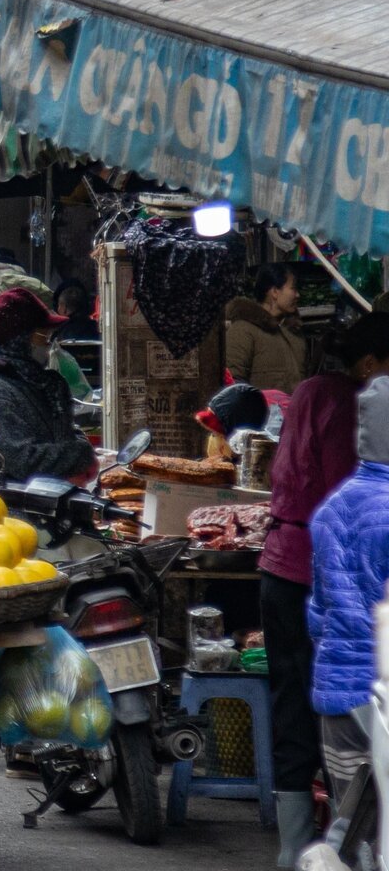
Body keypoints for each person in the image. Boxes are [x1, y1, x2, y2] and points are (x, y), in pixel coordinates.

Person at [262, 312, 389, 865]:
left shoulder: (310, 391)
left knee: (293, 702)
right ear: (369, 364)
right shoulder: (351, 406)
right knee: (349, 722)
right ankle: (339, 844)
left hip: (283, 564)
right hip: (317, 571)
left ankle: (294, 846)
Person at [308, 377, 389, 825]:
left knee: (352, 824)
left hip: (338, 698)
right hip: (382, 697)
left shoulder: (333, 507)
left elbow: (320, 612)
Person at [0, 289, 94, 483]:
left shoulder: (38, 381)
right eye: (42, 336)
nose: (48, 343)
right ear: (18, 340)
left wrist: (78, 443)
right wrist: (80, 452)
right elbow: (23, 462)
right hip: (14, 509)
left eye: (49, 335)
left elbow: (61, 432)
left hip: (55, 502)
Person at [225, 263, 307, 393]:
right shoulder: (243, 330)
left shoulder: (294, 333)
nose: (297, 295)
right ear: (274, 291)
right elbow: (232, 382)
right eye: (293, 289)